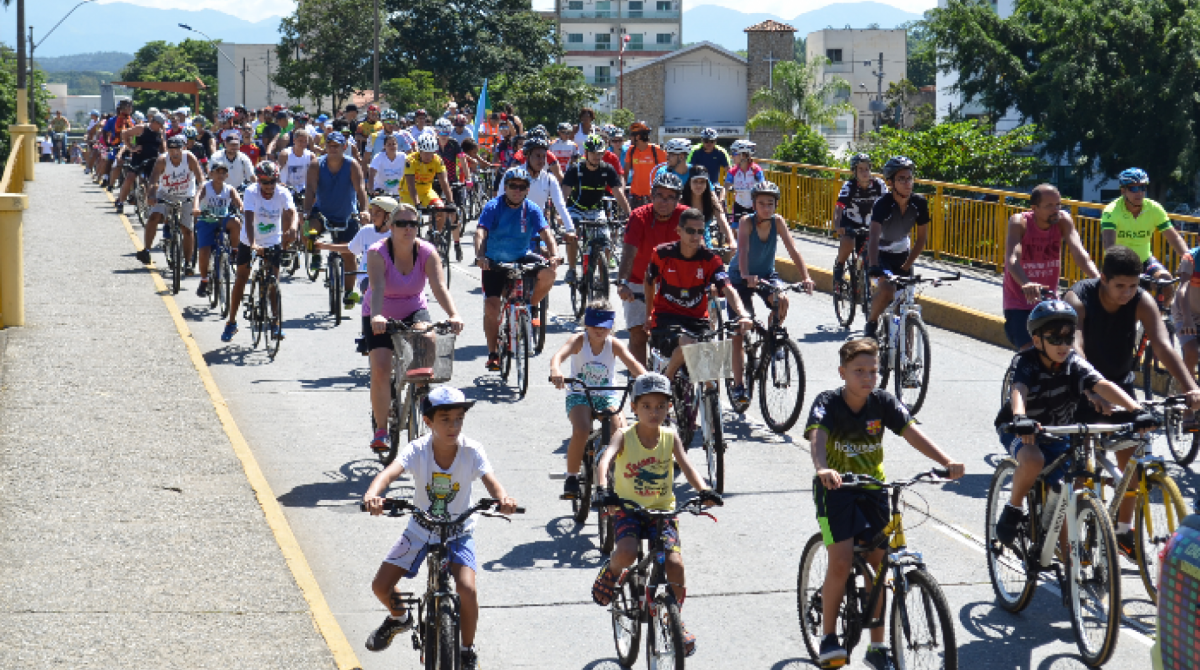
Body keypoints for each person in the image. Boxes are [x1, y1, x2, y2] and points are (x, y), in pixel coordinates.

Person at [807, 337, 965, 670]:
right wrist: (822, 468)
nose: (867, 377)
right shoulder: (828, 402)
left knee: (879, 564)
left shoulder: (883, 403)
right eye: (859, 371)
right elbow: (817, 436)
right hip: (835, 491)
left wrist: (946, 461)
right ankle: (829, 637)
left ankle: (877, 646)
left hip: (874, 489)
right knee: (841, 561)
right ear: (842, 372)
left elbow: (911, 432)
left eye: (873, 371)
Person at [362, 385, 518, 670]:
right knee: (381, 586)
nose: (453, 426)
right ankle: (399, 618)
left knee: (467, 590)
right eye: (445, 419)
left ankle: (466, 650)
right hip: (420, 529)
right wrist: (373, 494)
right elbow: (388, 474)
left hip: (459, 532)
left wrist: (503, 499)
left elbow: (492, 482)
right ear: (428, 421)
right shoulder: (417, 450)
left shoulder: (472, 450)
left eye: (459, 419)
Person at [1064, 245, 1200, 557]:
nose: (1127, 293)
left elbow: (1163, 346)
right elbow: (1075, 346)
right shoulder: (1078, 297)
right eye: (1120, 286)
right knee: (1080, 472)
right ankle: (1075, 534)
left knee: (1132, 463)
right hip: (1081, 385)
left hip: (1120, 387)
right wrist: (1091, 389)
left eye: (1133, 285)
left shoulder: (1141, 300)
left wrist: (1191, 386)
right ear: (1103, 278)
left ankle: (1124, 531)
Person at [993, 299, 1151, 547]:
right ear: (1037, 341)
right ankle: (1013, 508)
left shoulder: (1073, 362)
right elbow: (1019, 390)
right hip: (1021, 429)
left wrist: (1136, 409)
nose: (1063, 345)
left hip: (1058, 432)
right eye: (1055, 338)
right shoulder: (1026, 361)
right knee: (1033, 459)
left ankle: (1068, 561)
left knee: (1067, 494)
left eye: (1068, 338)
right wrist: (1021, 417)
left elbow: (1102, 385)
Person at [591, 372, 723, 658]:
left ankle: (673, 616)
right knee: (627, 552)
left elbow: (687, 466)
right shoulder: (624, 436)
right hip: (628, 509)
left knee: (674, 563)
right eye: (647, 406)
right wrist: (602, 489)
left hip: (662, 511)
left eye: (661, 406)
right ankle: (611, 571)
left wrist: (704, 490)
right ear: (634, 408)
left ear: (669, 408)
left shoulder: (670, 437)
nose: (654, 412)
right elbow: (605, 460)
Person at [357, 201, 465, 453]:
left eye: (413, 224)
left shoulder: (426, 251)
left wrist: (453, 314)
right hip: (379, 312)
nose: (408, 228)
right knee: (381, 369)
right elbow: (377, 287)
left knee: (428, 337)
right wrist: (377, 316)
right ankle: (381, 430)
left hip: (413, 308)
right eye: (402, 223)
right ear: (391, 227)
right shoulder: (377, 252)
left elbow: (439, 287)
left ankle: (419, 391)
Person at [549, 300, 647, 499]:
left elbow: (633, 364)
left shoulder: (613, 344)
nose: (599, 330)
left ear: (611, 326)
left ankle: (614, 472)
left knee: (621, 431)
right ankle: (571, 477)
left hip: (606, 394)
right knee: (582, 429)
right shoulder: (579, 340)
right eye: (594, 325)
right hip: (580, 393)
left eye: (604, 327)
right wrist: (555, 370)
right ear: (586, 324)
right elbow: (558, 356)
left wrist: (647, 381)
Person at [727, 181, 815, 402]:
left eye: (770, 203)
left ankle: (771, 340)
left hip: (766, 274)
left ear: (776, 205)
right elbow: (743, 250)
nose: (766, 208)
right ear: (754, 204)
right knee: (739, 330)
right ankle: (738, 386)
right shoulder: (746, 222)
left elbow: (793, 249)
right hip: (740, 277)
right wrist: (746, 275)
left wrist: (806, 277)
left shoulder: (778, 222)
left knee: (782, 300)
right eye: (761, 203)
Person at [644, 207, 754, 380]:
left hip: (697, 320)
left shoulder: (710, 259)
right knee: (688, 344)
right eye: (690, 231)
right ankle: (667, 378)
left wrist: (742, 314)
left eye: (700, 232)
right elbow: (649, 281)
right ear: (679, 231)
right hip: (667, 319)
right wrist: (649, 315)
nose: (696, 236)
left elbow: (727, 288)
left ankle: (710, 395)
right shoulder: (662, 254)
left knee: (711, 363)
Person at [473, 166, 560, 371]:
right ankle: (493, 353)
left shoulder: (532, 209)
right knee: (492, 307)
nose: (517, 190)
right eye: (513, 186)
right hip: (494, 262)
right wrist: (480, 256)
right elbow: (480, 232)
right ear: (506, 187)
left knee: (549, 273)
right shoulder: (493, 207)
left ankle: (528, 306)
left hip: (520, 257)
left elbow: (547, 234)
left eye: (522, 187)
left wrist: (554, 255)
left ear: (528, 189)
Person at [1002, 183, 1099, 350]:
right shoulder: (1020, 222)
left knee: (1061, 349)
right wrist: (1026, 283)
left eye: (1058, 204)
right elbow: (1012, 258)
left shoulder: (1062, 220)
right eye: (1049, 206)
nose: (1056, 210)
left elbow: (1079, 253)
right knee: (1031, 351)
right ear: (1034, 208)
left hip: (1049, 300)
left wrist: (1098, 279)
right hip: (1019, 302)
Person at [617, 172, 688, 366]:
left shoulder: (685, 216)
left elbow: (699, 248)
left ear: (678, 199)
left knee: (686, 335)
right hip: (638, 281)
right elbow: (628, 252)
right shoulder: (639, 216)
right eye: (660, 196)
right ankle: (640, 380)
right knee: (638, 334)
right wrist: (623, 282)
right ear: (651, 196)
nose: (664, 202)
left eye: (670, 197)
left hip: (675, 283)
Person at [222, 162, 297, 342]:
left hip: (272, 240)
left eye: (273, 181)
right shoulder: (251, 192)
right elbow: (248, 219)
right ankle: (231, 322)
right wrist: (253, 244)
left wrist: (294, 227)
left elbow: (292, 212)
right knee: (241, 278)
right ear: (259, 181)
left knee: (273, 281)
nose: (269, 186)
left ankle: (276, 323)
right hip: (249, 239)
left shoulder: (282, 192)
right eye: (265, 182)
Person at [303, 131, 371, 309]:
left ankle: (348, 292)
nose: (332, 149)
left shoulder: (352, 164)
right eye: (329, 145)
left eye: (336, 146)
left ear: (344, 147)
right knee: (308, 229)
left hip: (346, 214)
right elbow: (310, 189)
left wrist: (364, 211)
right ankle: (315, 254)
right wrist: (306, 210)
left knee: (349, 253)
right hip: (322, 213)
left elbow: (361, 189)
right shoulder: (316, 164)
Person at [864, 157, 930, 340]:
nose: (908, 183)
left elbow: (921, 239)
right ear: (891, 183)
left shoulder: (919, 203)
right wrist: (874, 266)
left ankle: (906, 354)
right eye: (902, 179)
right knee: (887, 290)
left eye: (910, 178)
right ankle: (871, 324)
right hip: (880, 256)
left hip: (903, 257)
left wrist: (906, 266)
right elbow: (874, 237)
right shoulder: (882, 204)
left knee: (906, 307)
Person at [1101, 168, 1188, 302]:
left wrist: (1189, 259)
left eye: (1142, 187)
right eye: (1133, 188)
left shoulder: (1154, 208)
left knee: (1166, 281)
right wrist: (1121, 269)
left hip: (1144, 261)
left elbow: (1174, 237)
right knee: (1123, 300)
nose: (1139, 192)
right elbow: (1109, 243)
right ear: (1123, 191)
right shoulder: (1111, 211)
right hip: (1119, 263)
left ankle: (1159, 313)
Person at [501, 136, 573, 274]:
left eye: (544, 156)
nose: (541, 160)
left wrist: (570, 229)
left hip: (537, 227)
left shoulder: (549, 179)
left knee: (548, 259)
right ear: (527, 156)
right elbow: (499, 202)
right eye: (537, 156)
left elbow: (560, 205)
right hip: (512, 225)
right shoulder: (511, 175)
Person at [191, 161, 244, 298]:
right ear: (211, 174)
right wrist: (196, 208)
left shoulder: (229, 189)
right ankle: (204, 280)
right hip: (206, 220)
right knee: (204, 252)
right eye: (217, 172)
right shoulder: (205, 186)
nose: (220, 175)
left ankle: (234, 251)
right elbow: (198, 197)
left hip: (222, 219)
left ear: (227, 175)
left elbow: (238, 201)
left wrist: (242, 208)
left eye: (223, 173)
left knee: (236, 222)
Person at [832, 154, 887, 281]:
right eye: (860, 169)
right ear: (855, 172)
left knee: (877, 249)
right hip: (851, 221)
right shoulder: (849, 186)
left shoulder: (879, 184)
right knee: (848, 241)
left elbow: (888, 205)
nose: (864, 172)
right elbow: (839, 207)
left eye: (866, 169)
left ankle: (864, 275)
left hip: (870, 222)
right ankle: (839, 265)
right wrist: (838, 225)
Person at [117, 112, 166, 218]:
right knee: (130, 177)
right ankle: (120, 202)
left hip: (152, 159)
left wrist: (165, 156)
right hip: (139, 157)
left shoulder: (160, 132)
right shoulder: (142, 128)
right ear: (155, 122)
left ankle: (150, 206)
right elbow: (125, 133)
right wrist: (131, 148)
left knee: (153, 183)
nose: (161, 127)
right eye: (160, 125)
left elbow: (163, 146)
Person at [682, 165, 733, 252]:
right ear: (689, 182)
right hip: (686, 247)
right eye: (695, 181)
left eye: (702, 182)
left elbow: (722, 221)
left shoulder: (711, 200)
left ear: (707, 184)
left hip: (706, 247)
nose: (699, 185)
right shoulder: (682, 201)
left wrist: (731, 240)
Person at [724, 140, 764, 228]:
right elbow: (725, 187)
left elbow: (763, 187)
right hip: (739, 204)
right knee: (734, 228)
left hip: (754, 205)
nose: (732, 156)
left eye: (734, 153)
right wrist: (721, 199)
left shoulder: (756, 170)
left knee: (755, 229)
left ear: (743, 155)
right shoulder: (733, 171)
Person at [624, 121, 663, 209]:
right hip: (635, 196)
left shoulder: (657, 150)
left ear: (638, 137)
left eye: (631, 135)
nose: (629, 137)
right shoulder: (631, 150)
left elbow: (667, 170)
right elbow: (625, 172)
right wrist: (622, 189)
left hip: (653, 196)